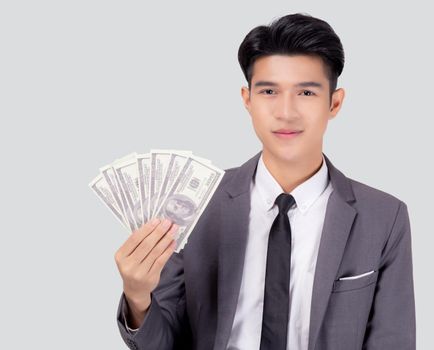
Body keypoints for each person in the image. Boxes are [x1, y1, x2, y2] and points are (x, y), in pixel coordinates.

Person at [114, 12, 416, 350]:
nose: (286, 112)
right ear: (247, 99)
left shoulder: (384, 218)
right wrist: (138, 296)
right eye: (269, 90)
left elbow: (393, 341)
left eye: (306, 93)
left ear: (334, 102)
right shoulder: (195, 201)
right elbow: (163, 342)